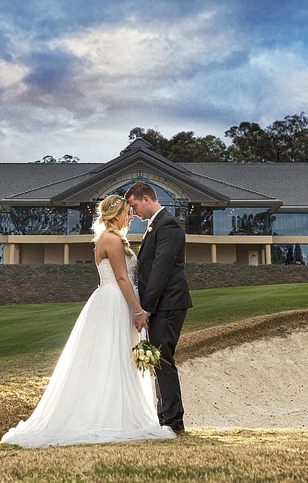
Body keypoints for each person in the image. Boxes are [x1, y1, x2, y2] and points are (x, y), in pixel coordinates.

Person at [1, 195, 175, 448]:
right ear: (116, 215)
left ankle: (117, 410)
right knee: (110, 355)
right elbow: (122, 279)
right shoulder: (111, 240)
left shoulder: (113, 239)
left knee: (116, 356)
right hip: (116, 301)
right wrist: (139, 311)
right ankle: (106, 416)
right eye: (127, 213)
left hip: (117, 299)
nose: (130, 217)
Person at [125, 181, 191, 435]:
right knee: (160, 360)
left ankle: (174, 421)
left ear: (146, 199)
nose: (134, 213)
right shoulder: (156, 226)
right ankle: (166, 417)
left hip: (170, 303)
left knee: (163, 359)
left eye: (134, 206)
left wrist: (146, 310)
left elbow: (161, 270)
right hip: (162, 304)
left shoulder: (169, 225)